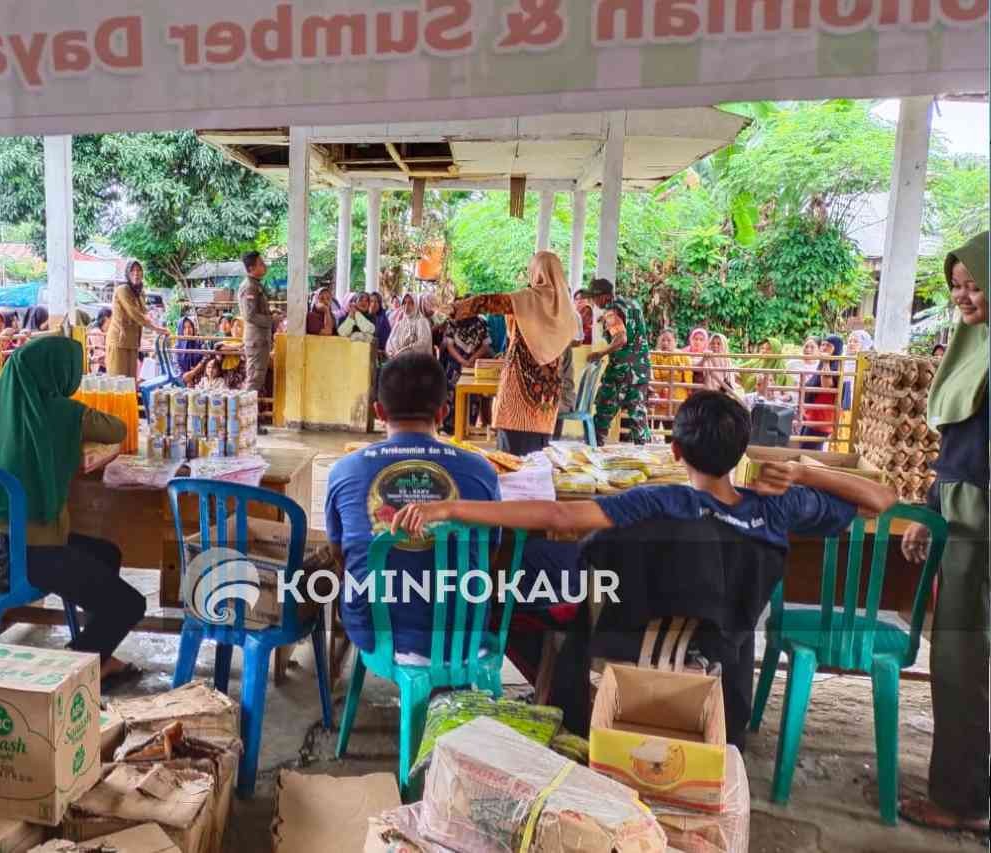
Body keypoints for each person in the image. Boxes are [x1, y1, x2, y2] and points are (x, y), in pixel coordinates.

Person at [393, 390, 897, 743]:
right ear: (742, 452)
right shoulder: (774, 510)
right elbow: (881, 499)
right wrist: (807, 470)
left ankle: (555, 691)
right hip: (721, 694)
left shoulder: (658, 501)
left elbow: (557, 514)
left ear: (675, 452)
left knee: (523, 587)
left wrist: (449, 508)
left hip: (621, 684)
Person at [0, 337, 144, 685]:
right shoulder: (66, 412)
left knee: (106, 553)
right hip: (33, 555)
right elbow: (117, 428)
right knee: (130, 605)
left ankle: (98, 655)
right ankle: (74, 668)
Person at [898, 231, 989, 833]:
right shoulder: (973, 346)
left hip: (981, 519)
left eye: (975, 284)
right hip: (961, 509)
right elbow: (958, 446)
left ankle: (959, 802)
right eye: (957, 286)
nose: (964, 296)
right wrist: (931, 511)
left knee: (960, 656)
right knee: (957, 656)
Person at [324, 352, 500, 661]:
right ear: (444, 412)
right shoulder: (481, 470)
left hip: (373, 629)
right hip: (462, 633)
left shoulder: (344, 470)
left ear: (378, 411)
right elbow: (491, 553)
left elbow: (340, 553)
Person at [448, 252, 578, 456]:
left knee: (511, 460)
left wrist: (457, 309)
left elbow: (490, 302)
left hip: (519, 393)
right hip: (547, 398)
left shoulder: (528, 299)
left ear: (536, 272)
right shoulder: (565, 308)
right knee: (539, 459)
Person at [579, 278, 651, 445]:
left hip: (621, 372)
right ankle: (643, 456)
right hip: (640, 370)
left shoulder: (611, 312)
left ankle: (592, 453)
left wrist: (600, 353)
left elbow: (621, 338)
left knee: (603, 413)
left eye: (594, 298)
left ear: (603, 297)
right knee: (638, 417)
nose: (594, 303)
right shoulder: (633, 304)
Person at [108, 260, 167, 379]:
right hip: (119, 342)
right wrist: (156, 329)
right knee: (118, 382)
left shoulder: (140, 293)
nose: (136, 273)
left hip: (133, 343)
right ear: (127, 274)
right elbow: (135, 314)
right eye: (133, 270)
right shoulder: (123, 289)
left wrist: (155, 325)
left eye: (139, 270)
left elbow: (144, 313)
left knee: (130, 382)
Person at [440, 314, 493, 434]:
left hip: (473, 365)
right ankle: (449, 428)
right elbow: (449, 345)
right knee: (451, 395)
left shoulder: (480, 323)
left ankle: (468, 428)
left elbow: (485, 346)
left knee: (472, 396)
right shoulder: (453, 322)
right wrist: (463, 361)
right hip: (455, 366)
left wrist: (470, 360)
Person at [237, 251, 275, 403]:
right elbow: (250, 315)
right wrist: (271, 320)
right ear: (251, 268)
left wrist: (271, 313)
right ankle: (242, 418)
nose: (264, 266)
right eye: (261, 263)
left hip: (261, 341)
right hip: (256, 341)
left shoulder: (255, 285)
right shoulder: (250, 287)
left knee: (257, 381)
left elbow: (258, 311)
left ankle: (249, 419)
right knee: (253, 381)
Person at [799, 335, 842, 451]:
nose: (824, 348)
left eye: (829, 346)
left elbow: (826, 385)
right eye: (822, 344)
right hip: (812, 417)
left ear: (836, 349)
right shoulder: (820, 365)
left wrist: (826, 362)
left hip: (821, 421)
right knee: (802, 449)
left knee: (808, 453)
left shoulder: (836, 366)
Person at [650, 327, 692, 421]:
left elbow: (688, 377)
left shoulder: (682, 356)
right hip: (659, 392)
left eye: (669, 340)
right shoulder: (654, 355)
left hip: (677, 394)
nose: (665, 343)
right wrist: (660, 387)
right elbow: (653, 375)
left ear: (675, 342)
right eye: (663, 340)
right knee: (654, 419)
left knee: (674, 423)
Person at [384, 294, 434, 359]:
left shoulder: (422, 322)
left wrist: (403, 353)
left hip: (417, 363)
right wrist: (393, 354)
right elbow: (390, 343)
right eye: (404, 303)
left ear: (416, 305)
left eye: (410, 303)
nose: (407, 306)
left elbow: (422, 344)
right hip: (398, 362)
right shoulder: (399, 324)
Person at [698, 332, 742, 400]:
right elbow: (696, 367)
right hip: (709, 392)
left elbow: (730, 380)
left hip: (723, 393)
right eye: (713, 343)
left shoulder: (727, 359)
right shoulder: (706, 356)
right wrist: (704, 359)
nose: (715, 346)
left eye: (718, 344)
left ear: (724, 345)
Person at [87, 308, 111, 373]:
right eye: (111, 320)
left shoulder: (102, 332)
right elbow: (99, 352)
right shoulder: (96, 332)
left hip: (103, 365)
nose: (112, 325)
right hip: (99, 367)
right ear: (106, 319)